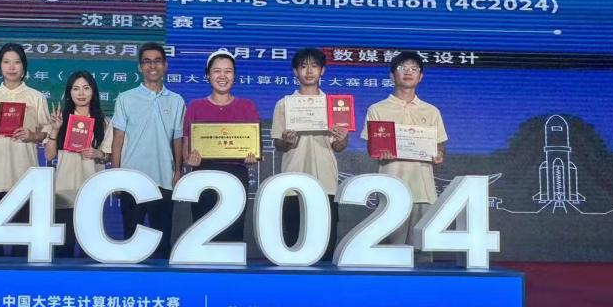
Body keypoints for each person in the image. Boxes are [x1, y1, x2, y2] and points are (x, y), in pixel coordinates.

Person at [361, 50, 448, 248]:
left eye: (414, 69)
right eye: (402, 68)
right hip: (391, 189)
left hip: (423, 190)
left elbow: (439, 144)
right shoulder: (377, 109)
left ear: (420, 76)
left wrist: (439, 154)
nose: (408, 72)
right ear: (392, 76)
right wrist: (380, 152)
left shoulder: (431, 111)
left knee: (423, 251)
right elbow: (371, 147)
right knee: (391, 251)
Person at [111, 42, 186, 260]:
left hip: (163, 178)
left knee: (162, 244)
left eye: (157, 61)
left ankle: (162, 282)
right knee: (131, 241)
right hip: (132, 178)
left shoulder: (176, 100)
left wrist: (178, 171)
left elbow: (178, 139)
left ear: (165, 65)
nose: (152, 66)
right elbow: (117, 140)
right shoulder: (125, 98)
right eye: (147, 61)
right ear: (140, 67)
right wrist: (116, 176)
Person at [271, 48, 348, 259]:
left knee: (326, 243)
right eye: (303, 66)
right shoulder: (284, 104)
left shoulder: (334, 104)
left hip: (326, 180)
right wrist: (287, 141)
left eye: (314, 66)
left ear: (322, 70)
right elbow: (278, 144)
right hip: (293, 180)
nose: (309, 71)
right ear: (295, 72)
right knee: (294, 241)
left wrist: (342, 138)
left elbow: (339, 146)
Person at [0, 43, 50, 256]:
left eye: (17, 62)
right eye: (6, 62)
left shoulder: (36, 97)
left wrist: (32, 135)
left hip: (24, 176)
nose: (11, 67)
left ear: (24, 67)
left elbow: (47, 131)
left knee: (23, 245)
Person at [183, 50, 260, 243]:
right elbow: (186, 146)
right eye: (217, 71)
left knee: (234, 230)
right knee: (202, 231)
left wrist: (253, 156)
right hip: (203, 174)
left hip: (236, 175)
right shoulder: (195, 106)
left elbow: (254, 145)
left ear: (234, 75)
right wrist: (189, 158)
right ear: (208, 75)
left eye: (228, 71)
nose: (222, 76)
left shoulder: (247, 106)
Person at [44, 71, 113, 258]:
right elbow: (49, 155)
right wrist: (55, 130)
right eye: (75, 89)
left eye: (86, 88)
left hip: (91, 192)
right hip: (64, 192)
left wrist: (99, 154)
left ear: (93, 92)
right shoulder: (60, 120)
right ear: (69, 93)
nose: (81, 93)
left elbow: (108, 157)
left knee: (88, 251)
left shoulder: (104, 123)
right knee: (62, 250)